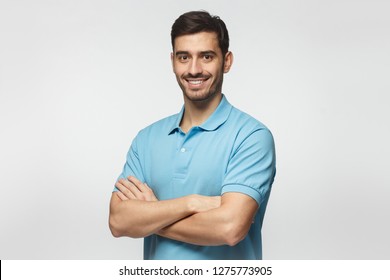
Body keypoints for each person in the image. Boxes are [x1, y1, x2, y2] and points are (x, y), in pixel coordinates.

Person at [109, 10, 276, 260]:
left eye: (206, 56)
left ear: (227, 61)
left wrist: (152, 215)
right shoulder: (146, 140)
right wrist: (192, 203)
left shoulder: (251, 136)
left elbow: (230, 228)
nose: (194, 69)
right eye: (184, 57)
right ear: (173, 61)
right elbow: (118, 221)